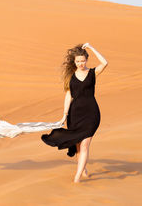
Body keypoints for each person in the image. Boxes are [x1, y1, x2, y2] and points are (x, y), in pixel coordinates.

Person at [41, 42, 108, 183]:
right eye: (77, 61)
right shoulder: (70, 77)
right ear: (74, 61)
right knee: (78, 145)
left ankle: (77, 177)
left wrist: (92, 48)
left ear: (86, 60)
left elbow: (105, 62)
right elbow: (68, 96)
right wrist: (65, 114)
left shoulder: (92, 73)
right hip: (75, 114)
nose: (80, 64)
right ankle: (82, 170)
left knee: (85, 144)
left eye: (83, 61)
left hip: (91, 113)